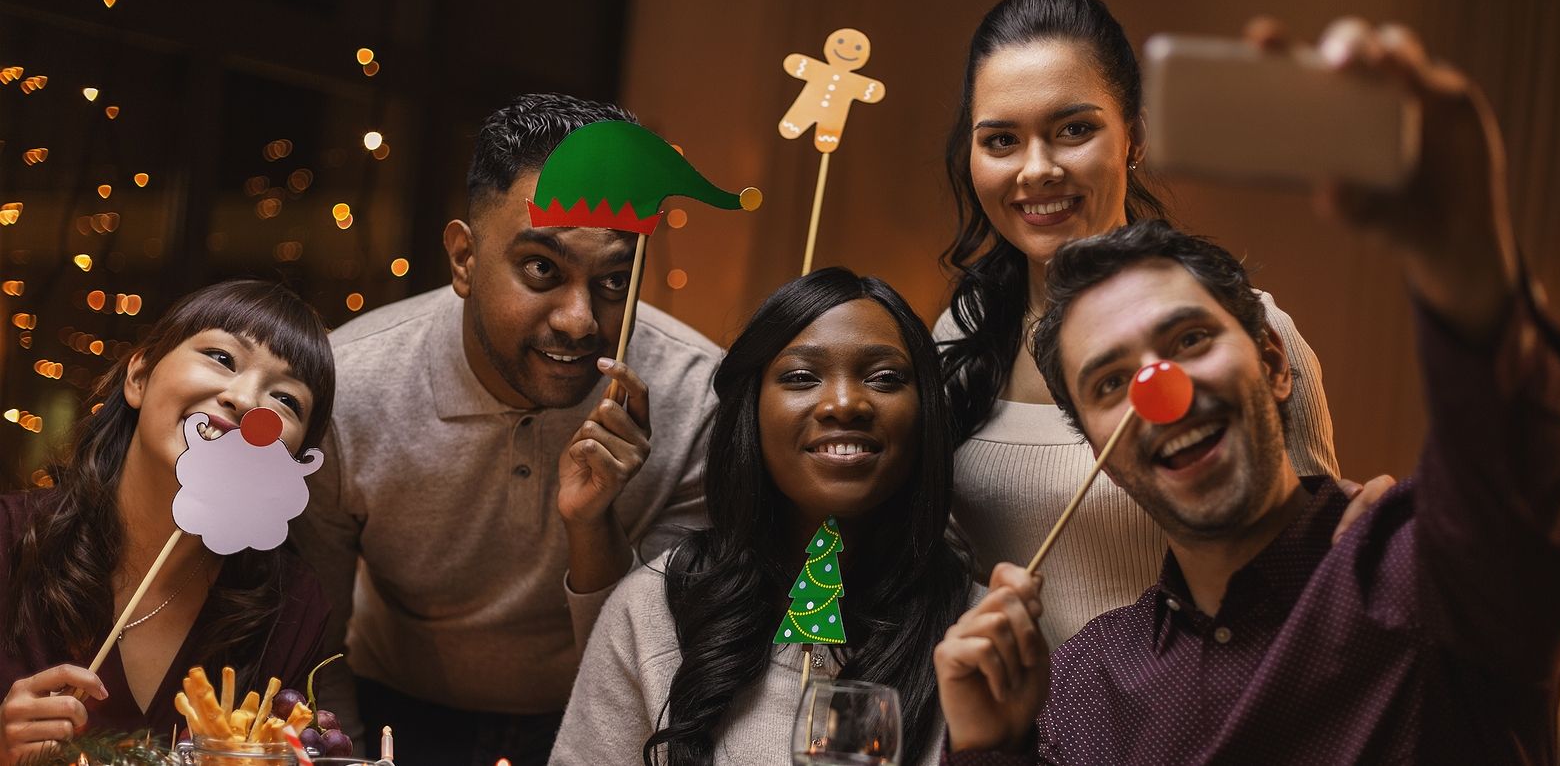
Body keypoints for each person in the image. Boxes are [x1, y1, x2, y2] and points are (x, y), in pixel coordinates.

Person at [934, 19, 1560, 763]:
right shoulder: (1088, 684)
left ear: (1276, 361)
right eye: (1113, 381)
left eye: (1189, 340)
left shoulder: (1425, 588)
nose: (1164, 386)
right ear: (1095, 445)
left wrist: (1467, 254)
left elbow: (1523, 465)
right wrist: (990, 747)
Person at [290, 93, 722, 764]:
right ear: (463, 258)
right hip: (391, 713)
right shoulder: (349, 387)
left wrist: (594, 524)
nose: (580, 319)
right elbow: (312, 646)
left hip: (599, 719)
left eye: (615, 280)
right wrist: (340, 753)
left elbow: (661, 660)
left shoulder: (696, 396)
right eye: (542, 269)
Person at [935, 0, 1342, 646]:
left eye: (1074, 129)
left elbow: (1313, 581)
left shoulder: (1239, 337)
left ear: (1136, 135)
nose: (1036, 170)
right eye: (1001, 139)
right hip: (998, 734)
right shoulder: (960, 333)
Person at [550, 269, 976, 765]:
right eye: (800, 377)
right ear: (749, 413)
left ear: (926, 413)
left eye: (884, 378)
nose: (844, 404)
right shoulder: (654, 610)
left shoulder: (976, 637)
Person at [0, 280, 335, 764]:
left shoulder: (293, 609)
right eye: (222, 358)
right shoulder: (9, 540)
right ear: (139, 375)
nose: (244, 400)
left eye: (285, 399)